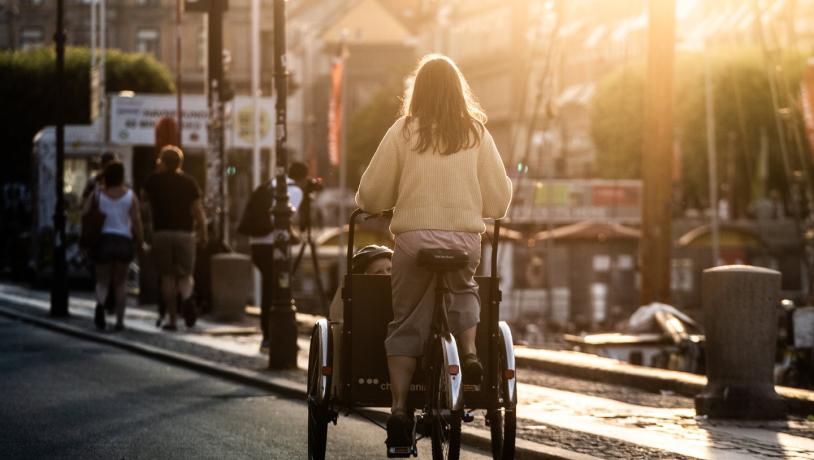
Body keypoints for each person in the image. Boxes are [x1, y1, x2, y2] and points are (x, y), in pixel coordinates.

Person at [355, 54, 512, 450]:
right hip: (463, 241)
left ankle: (398, 410)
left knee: (407, 319)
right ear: (459, 91)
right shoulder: (476, 133)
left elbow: (371, 194)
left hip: (413, 242)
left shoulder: (403, 131)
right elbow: (499, 201)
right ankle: (471, 352)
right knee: (464, 288)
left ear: (417, 91)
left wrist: (383, 201)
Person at [239, 162, 307, 352]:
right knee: (279, 290)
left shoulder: (270, 184)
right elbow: (281, 220)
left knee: (270, 288)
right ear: (302, 178)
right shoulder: (294, 190)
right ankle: (274, 337)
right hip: (274, 246)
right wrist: (294, 236)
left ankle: (268, 336)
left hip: (256, 243)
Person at [142, 146, 208, 332]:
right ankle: (187, 299)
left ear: (162, 161)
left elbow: (144, 208)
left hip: (161, 233)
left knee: (167, 277)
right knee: (186, 274)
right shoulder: (189, 182)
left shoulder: (153, 181)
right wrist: (203, 233)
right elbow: (198, 212)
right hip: (185, 234)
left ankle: (172, 320)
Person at [85, 160, 144, 332]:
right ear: (121, 176)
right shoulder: (129, 196)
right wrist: (141, 241)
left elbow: (85, 212)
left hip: (104, 241)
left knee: (102, 281)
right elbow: (136, 221)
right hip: (123, 241)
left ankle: (100, 307)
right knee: (120, 284)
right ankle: (120, 321)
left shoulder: (97, 194)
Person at [82, 151, 118, 314]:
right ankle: (111, 301)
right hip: (118, 231)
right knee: (116, 271)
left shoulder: (94, 183)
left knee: (100, 272)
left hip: (99, 232)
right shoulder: (122, 183)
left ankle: (101, 302)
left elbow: (84, 207)